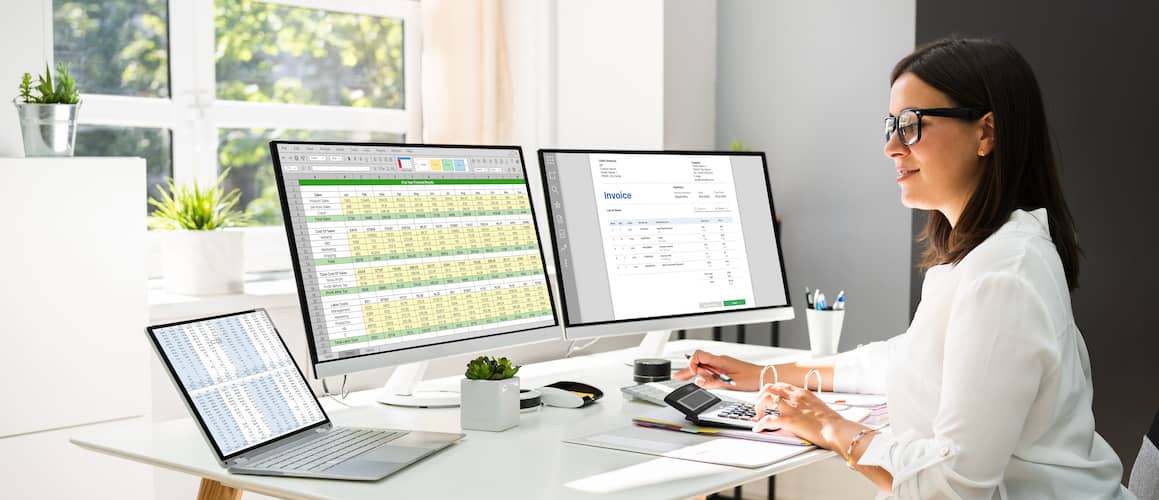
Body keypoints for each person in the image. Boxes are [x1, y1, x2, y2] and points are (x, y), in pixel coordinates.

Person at [675, 37, 1132, 499]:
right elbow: (908, 360)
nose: (892, 146)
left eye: (912, 125)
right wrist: (767, 375)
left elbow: (950, 487)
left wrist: (830, 427)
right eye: (891, 125)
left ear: (986, 133)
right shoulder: (983, 255)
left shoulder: (1005, 274)